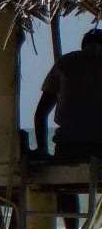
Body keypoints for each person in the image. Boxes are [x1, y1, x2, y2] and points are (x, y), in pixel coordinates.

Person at [34, 27, 102, 160]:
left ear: (83, 46)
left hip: (69, 147)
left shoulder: (65, 63)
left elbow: (41, 113)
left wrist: (42, 149)